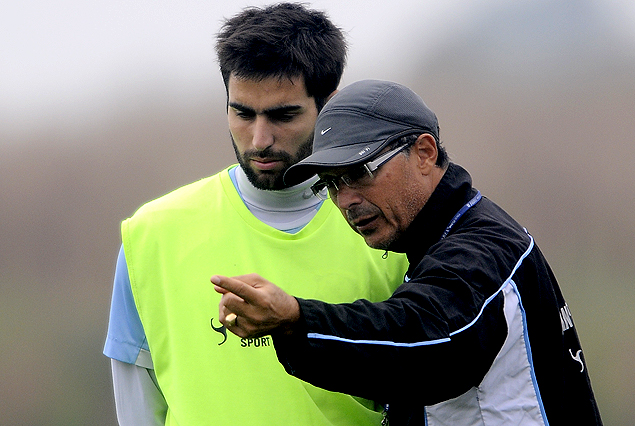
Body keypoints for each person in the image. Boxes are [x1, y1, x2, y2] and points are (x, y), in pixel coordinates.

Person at [212, 79, 604, 425]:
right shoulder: (449, 237)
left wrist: (296, 319)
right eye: (330, 184)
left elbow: (423, 343)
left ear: (424, 153)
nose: (345, 199)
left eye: (359, 172)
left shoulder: (483, 250)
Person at [103, 6, 408, 426]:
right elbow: (137, 407)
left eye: (284, 115)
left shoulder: (392, 228)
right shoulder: (152, 235)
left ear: (331, 106)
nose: (259, 140)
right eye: (242, 113)